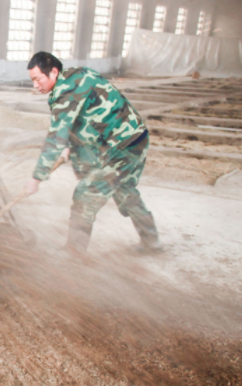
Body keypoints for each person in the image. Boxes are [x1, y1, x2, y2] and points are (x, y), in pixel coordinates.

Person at [23, 51, 161, 254]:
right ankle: (152, 241)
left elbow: (55, 138)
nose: (35, 85)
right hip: (135, 138)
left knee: (85, 195)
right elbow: (81, 117)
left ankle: (73, 252)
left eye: (37, 79)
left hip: (120, 147)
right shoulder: (78, 75)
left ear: (53, 71)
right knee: (125, 192)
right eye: (32, 80)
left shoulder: (65, 92)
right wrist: (69, 146)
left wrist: (37, 177)